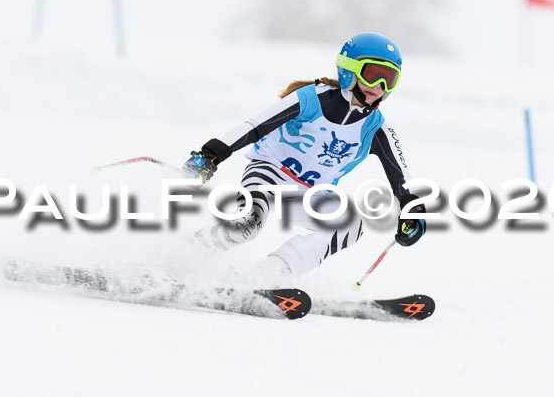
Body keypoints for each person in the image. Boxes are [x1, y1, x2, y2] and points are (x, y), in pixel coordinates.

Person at [181, 32, 426, 285]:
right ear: (349, 69)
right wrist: (209, 156)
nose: (379, 87)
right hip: (270, 170)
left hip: (310, 193)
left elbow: (401, 177)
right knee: (248, 224)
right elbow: (255, 127)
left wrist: (413, 210)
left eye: (389, 79)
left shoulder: (375, 127)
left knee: (350, 224)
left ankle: (267, 277)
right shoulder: (312, 98)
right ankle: (180, 257)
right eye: (373, 75)